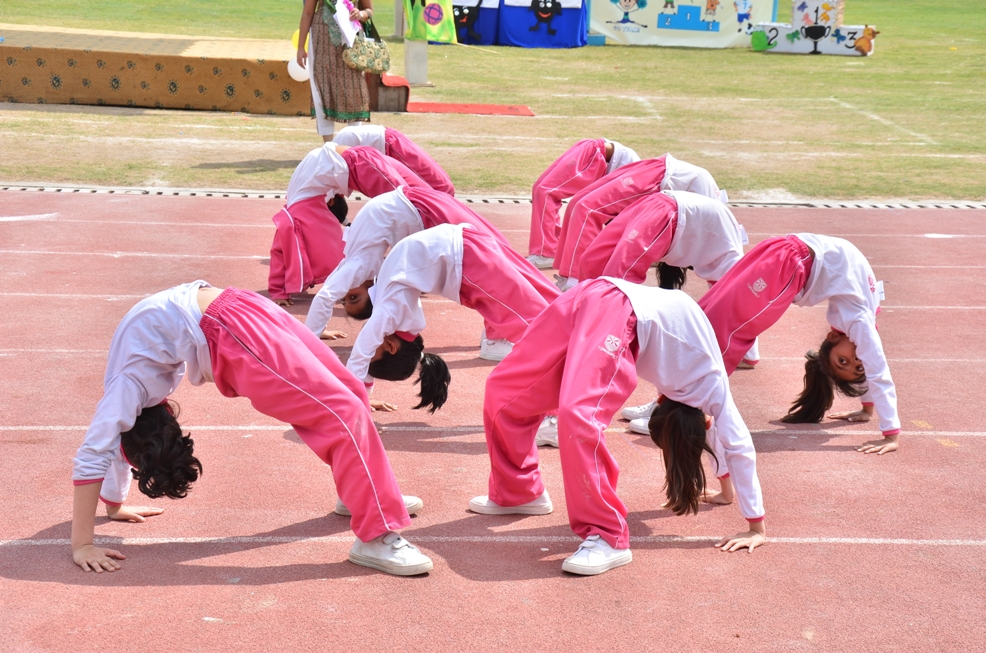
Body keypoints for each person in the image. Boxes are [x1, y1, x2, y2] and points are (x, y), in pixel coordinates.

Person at [71, 281, 433, 576]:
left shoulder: (126, 393)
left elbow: (95, 453)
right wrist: (114, 505)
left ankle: (372, 534)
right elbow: (113, 446)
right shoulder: (130, 404)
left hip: (231, 330)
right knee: (347, 399)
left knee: (345, 406)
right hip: (240, 305)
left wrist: (82, 544)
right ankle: (368, 503)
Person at [469, 279, 766, 576]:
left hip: (599, 293)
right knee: (510, 393)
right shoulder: (713, 387)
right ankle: (518, 491)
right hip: (615, 304)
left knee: (569, 412)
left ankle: (608, 536)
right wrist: (755, 527)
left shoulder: (703, 398)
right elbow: (735, 444)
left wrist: (727, 494)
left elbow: (721, 437)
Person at [695, 233, 900, 454]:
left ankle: (685, 392)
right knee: (733, 331)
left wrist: (867, 409)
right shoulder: (860, 324)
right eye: (849, 362)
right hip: (789, 262)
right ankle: (693, 400)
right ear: (831, 338)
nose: (856, 360)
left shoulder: (862, 318)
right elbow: (876, 371)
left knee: (710, 312)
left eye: (846, 363)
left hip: (780, 250)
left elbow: (871, 363)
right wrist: (891, 435)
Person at [343, 223, 561, 404]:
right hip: (469, 244)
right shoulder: (393, 316)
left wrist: (358, 408)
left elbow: (361, 357)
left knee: (539, 334)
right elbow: (363, 357)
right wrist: (364, 395)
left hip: (467, 260)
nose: (368, 342)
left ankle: (554, 414)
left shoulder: (389, 313)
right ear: (391, 346)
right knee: (555, 311)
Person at [305, 187, 532, 340]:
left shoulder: (360, 267)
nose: (346, 292)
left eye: (349, 298)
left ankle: (497, 336)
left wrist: (312, 337)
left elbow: (326, 296)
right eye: (351, 298)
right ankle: (498, 334)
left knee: (493, 255)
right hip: (414, 204)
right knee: (493, 252)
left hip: (417, 206)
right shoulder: (363, 267)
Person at [269, 143, 427, 306]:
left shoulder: (298, 216)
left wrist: (278, 290)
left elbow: (280, 252)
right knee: (421, 198)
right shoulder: (299, 206)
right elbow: (280, 252)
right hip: (357, 157)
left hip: (356, 161)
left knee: (412, 205)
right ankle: (415, 270)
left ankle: (416, 271)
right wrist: (278, 290)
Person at [553, 154, 725, 289]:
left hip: (657, 184)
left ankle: (574, 280)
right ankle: (571, 277)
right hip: (658, 174)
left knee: (584, 206)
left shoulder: (711, 212)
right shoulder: (713, 208)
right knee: (580, 203)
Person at [527, 138, 639, 269]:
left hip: (595, 151)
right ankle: (549, 250)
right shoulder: (638, 189)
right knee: (542, 190)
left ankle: (548, 252)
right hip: (597, 153)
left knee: (544, 191)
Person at [297, 0, 375, 141]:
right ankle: (329, 146)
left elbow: (369, 10)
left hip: (352, 41)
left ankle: (352, 144)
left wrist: (360, 14)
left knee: (355, 90)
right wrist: (300, 47)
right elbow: (308, 13)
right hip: (321, 39)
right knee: (323, 87)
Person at [334, 124, 456, 195]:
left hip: (389, 143)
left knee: (443, 189)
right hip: (386, 145)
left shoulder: (337, 152)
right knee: (441, 190)